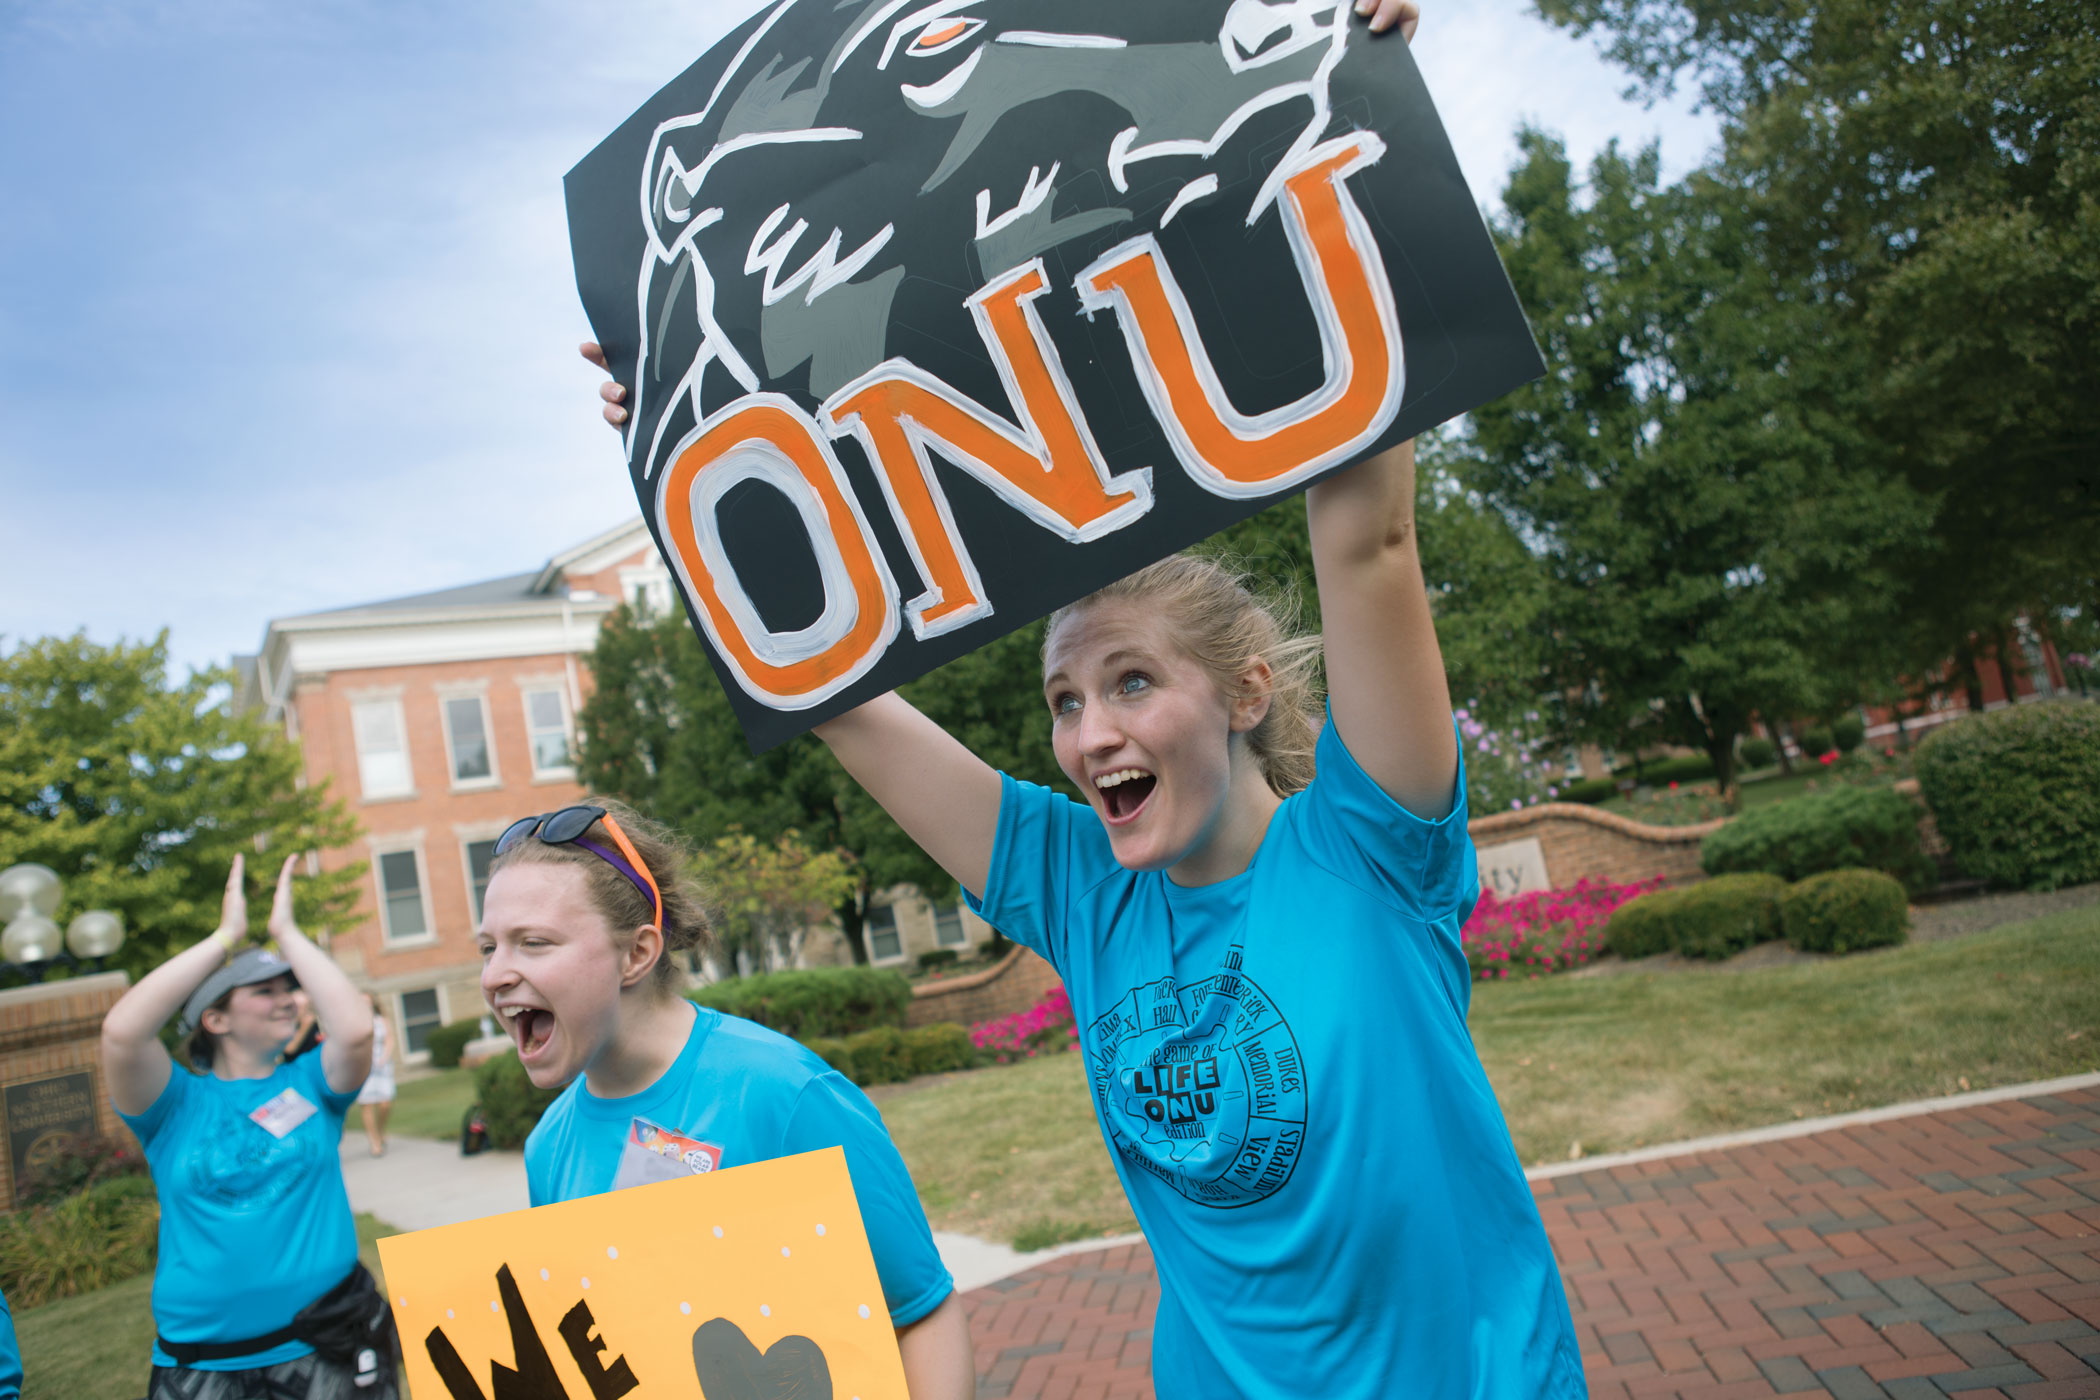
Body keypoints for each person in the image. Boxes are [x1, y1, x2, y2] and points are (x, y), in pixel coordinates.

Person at [584, 5, 1584, 1392]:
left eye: (1129, 683)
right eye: (1064, 701)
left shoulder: (1371, 846)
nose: (1089, 733)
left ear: (1243, 693)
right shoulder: (1082, 889)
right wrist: (684, 408)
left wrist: (1342, 80)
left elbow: (1368, 538)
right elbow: (828, 687)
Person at [477, 799, 975, 1398]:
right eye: (489, 948)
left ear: (636, 953)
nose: (495, 975)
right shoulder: (548, 1149)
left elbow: (919, 1311)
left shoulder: (784, 1093)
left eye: (532, 943)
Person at [101, 855, 394, 1399]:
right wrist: (224, 937)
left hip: (325, 1345)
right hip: (203, 1363)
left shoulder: (310, 1083)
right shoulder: (173, 1103)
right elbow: (122, 1032)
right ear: (215, 1019)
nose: (287, 996)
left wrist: (287, 932)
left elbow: (354, 1030)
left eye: (289, 985)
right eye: (263, 990)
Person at [356, 1006, 395, 1156]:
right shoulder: (355, 1022)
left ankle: (380, 1131)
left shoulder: (382, 1021)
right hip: (363, 1065)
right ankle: (375, 1143)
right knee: (367, 1105)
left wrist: (383, 1058)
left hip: (381, 1065)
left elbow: (389, 1039)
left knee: (385, 1104)